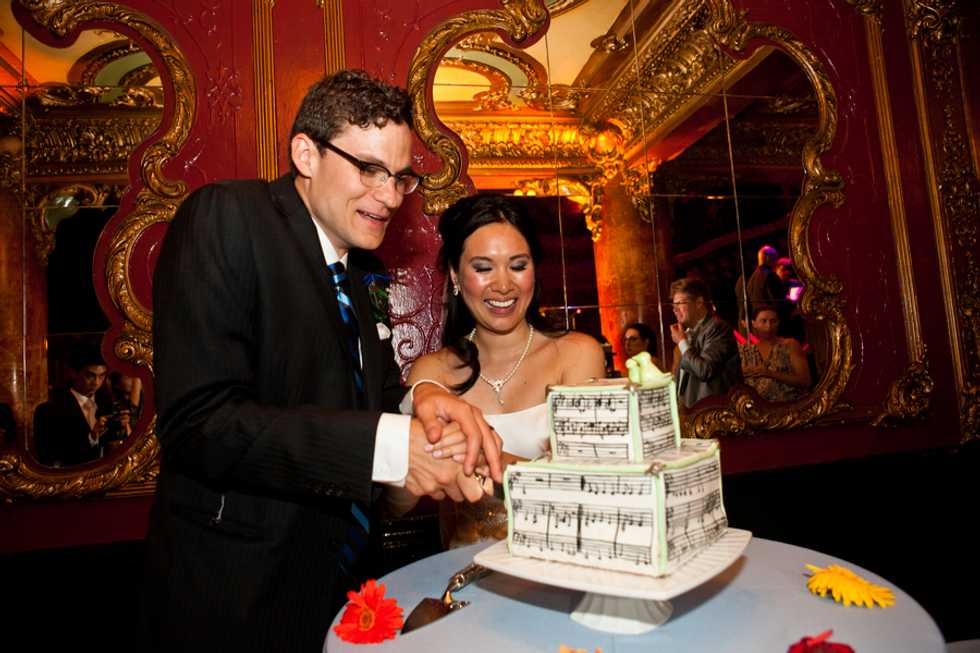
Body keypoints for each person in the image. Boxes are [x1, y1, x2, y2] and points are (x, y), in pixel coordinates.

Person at [141, 70, 503, 653]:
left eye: (401, 177)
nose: (389, 196)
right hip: (232, 604)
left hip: (337, 594)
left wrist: (426, 406)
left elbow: (377, 402)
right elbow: (199, 423)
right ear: (305, 153)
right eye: (369, 170)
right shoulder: (227, 216)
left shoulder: (355, 272)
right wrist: (392, 447)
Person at [390, 193, 606, 546]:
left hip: (562, 563)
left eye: (518, 266)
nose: (504, 285)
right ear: (456, 276)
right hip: (467, 575)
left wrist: (483, 458)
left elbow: (588, 488)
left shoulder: (577, 355)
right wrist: (406, 462)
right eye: (483, 268)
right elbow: (395, 505)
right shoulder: (433, 373)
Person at [32, 345, 112, 467]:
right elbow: (48, 457)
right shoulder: (49, 410)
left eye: (101, 376)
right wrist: (91, 437)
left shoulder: (107, 403)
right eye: (90, 375)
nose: (96, 383)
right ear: (74, 373)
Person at [669, 277, 741, 409]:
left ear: (699, 302)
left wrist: (682, 342)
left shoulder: (717, 327)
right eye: (674, 305)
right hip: (691, 413)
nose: (675, 309)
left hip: (714, 414)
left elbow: (705, 370)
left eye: (680, 303)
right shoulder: (688, 333)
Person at [739, 305, 811, 402]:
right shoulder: (747, 351)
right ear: (754, 323)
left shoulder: (790, 345)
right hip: (761, 410)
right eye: (763, 321)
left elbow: (805, 381)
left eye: (773, 321)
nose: (769, 326)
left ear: (778, 323)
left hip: (791, 405)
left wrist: (771, 373)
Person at [734, 244, 788, 329]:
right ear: (768, 258)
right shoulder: (770, 275)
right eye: (775, 258)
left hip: (760, 323)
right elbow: (778, 303)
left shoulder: (752, 278)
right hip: (773, 323)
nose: (776, 262)